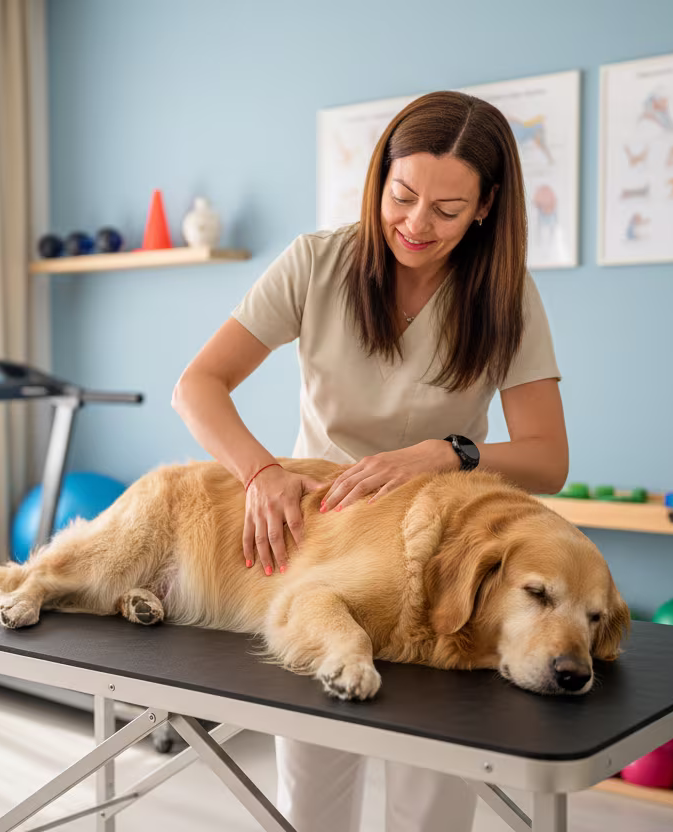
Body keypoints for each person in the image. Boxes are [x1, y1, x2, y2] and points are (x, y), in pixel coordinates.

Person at [171, 90, 566, 832]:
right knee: (314, 794)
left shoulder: (506, 297)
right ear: (379, 178)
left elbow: (549, 459)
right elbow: (198, 385)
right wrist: (260, 472)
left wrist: (445, 454)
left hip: (441, 567)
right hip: (326, 547)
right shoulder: (316, 263)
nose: (417, 225)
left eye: (448, 210)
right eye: (402, 195)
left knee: (432, 803)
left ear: (486, 208)